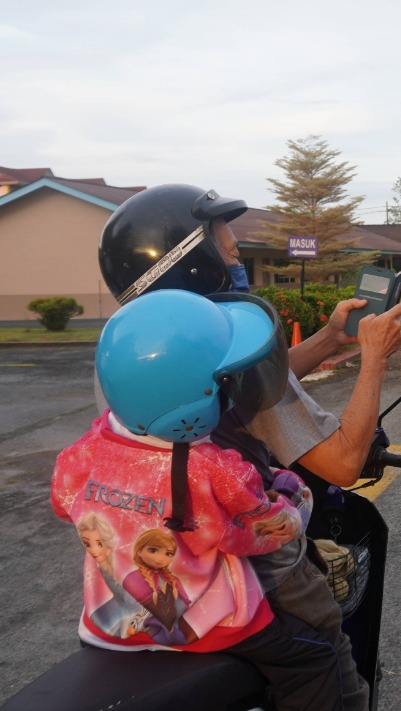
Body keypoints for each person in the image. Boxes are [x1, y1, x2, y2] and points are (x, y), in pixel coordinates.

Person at [98, 183, 401, 709]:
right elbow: (342, 464)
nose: (238, 261)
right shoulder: (230, 347)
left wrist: (330, 338)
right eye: (230, 251)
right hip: (254, 573)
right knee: (330, 668)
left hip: (163, 562)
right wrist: (374, 359)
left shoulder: (128, 347)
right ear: (193, 263)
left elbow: (243, 399)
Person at [53, 289, 347, 711]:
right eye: (225, 383)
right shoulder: (213, 469)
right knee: (315, 661)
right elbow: (258, 533)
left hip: (111, 625)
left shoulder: (85, 450)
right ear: (194, 404)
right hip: (208, 627)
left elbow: (64, 503)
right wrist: (291, 495)